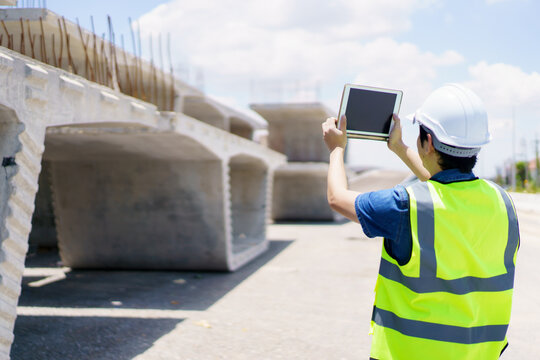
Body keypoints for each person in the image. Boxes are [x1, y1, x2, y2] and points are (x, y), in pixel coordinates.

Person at [321, 84, 519, 360]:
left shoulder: (406, 204)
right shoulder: (502, 201)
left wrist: (336, 149)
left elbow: (337, 198)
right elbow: (445, 189)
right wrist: (400, 148)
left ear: (426, 141)